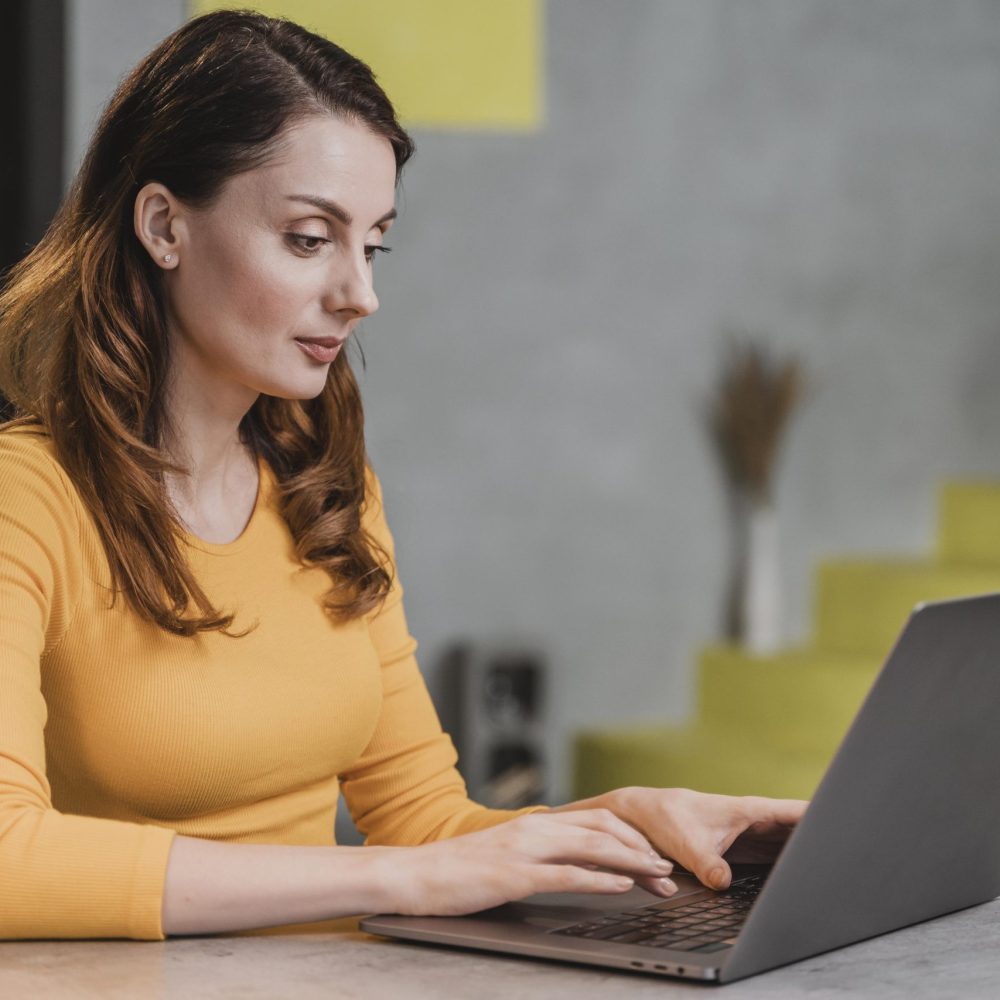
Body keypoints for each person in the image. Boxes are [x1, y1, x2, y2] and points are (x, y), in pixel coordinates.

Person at [0, 11, 805, 941]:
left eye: (372, 244)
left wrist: (620, 824)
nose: (360, 293)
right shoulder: (30, 500)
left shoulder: (325, 490)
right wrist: (396, 877)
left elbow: (429, 826)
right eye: (310, 238)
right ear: (163, 225)